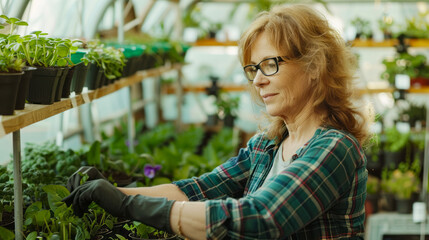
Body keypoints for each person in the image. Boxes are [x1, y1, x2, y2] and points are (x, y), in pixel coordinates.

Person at [63, 4, 372, 240]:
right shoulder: (266, 146)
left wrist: (129, 207)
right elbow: (197, 190)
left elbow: (263, 216)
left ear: (315, 66)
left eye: (270, 64)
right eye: (253, 68)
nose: (259, 81)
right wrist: (112, 192)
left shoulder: (335, 148)